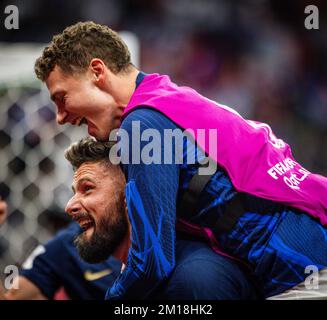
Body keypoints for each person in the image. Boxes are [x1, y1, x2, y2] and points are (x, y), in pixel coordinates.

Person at [34, 21, 327, 300]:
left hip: (300, 265)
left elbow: (151, 262)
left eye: (62, 97)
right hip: (309, 238)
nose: (61, 117)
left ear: (97, 71)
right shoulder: (171, 98)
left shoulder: (143, 125)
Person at [63, 137, 258, 300]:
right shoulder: (135, 276)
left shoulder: (194, 278)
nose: (69, 206)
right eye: (74, 192)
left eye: (87, 188)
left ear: (131, 194)